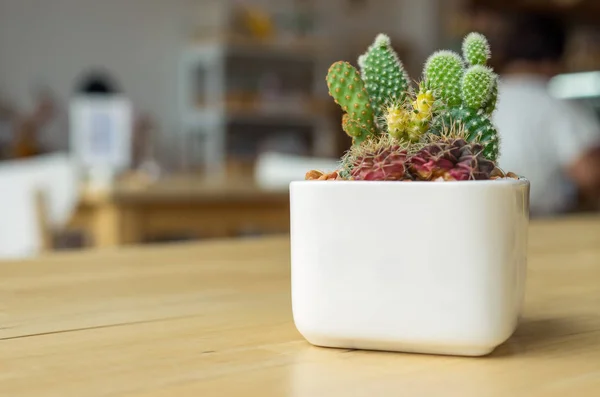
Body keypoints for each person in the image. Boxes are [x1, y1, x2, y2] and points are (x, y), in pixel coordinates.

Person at [493, 13, 600, 216]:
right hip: (540, 222)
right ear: (553, 59)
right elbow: (589, 174)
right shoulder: (556, 106)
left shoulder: (478, 100)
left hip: (481, 222)